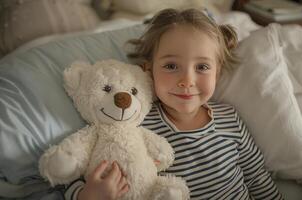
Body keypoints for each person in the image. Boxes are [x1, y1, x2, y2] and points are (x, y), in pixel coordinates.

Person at [64, 8, 284, 200]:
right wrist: (86, 196)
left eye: (202, 67)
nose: (187, 81)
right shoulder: (133, 125)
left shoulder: (230, 119)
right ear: (148, 70)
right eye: (171, 66)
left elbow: (257, 176)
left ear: (217, 72)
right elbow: (73, 172)